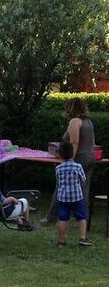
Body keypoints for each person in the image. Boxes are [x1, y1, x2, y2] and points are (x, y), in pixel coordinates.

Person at [41, 97, 96, 226]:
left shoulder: (74, 121)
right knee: (84, 190)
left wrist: (69, 160)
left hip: (78, 159)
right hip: (90, 158)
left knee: (61, 186)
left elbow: (74, 142)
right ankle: (82, 220)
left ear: (70, 108)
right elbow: (93, 143)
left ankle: (51, 217)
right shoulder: (89, 122)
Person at [53, 142, 92, 246]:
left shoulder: (58, 168)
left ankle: (61, 241)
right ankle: (82, 238)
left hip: (62, 198)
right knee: (81, 217)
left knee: (63, 218)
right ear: (72, 152)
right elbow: (83, 180)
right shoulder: (78, 166)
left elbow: (58, 180)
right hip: (77, 197)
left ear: (60, 154)